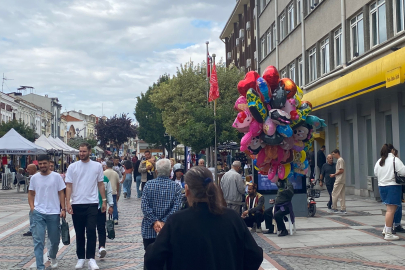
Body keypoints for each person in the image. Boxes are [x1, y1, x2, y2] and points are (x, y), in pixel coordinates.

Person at [144, 166, 263, 270]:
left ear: (187, 190)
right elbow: (254, 255)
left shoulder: (176, 221)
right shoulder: (232, 218)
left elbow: (153, 258)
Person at [65, 143, 107, 270]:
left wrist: (104, 200)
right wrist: (68, 202)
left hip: (92, 203)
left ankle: (91, 259)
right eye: (80, 151)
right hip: (77, 203)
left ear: (89, 151)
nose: (81, 153)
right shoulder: (72, 167)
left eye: (84, 151)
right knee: (79, 232)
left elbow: (100, 184)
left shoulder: (97, 166)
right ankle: (81, 258)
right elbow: (68, 185)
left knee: (91, 230)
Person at [28, 155, 66, 270]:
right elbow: (30, 193)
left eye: (44, 163)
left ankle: (53, 256)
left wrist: (63, 209)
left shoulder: (56, 177)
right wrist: (32, 207)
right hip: (38, 212)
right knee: (38, 240)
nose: (43, 166)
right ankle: (40, 266)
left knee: (54, 240)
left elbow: (61, 193)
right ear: (38, 164)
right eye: (40, 164)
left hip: (53, 212)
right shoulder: (34, 178)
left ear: (49, 163)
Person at [141, 159, 182, 251]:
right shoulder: (176, 187)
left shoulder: (148, 185)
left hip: (149, 229)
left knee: (149, 257)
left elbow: (144, 206)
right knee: (168, 259)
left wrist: (155, 221)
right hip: (169, 230)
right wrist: (164, 222)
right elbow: (176, 207)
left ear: (156, 171)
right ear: (170, 171)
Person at [374, 144, 405, 241]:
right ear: (392, 150)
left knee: (389, 209)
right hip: (393, 186)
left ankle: (385, 229)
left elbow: (375, 173)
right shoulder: (395, 160)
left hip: (382, 186)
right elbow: (403, 172)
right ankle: (388, 233)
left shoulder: (379, 161)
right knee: (391, 210)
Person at [96, 174, 114, 258]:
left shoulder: (105, 179)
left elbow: (109, 192)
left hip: (101, 207)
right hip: (89, 207)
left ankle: (102, 247)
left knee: (101, 227)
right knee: (90, 229)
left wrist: (111, 205)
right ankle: (91, 249)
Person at [23, 164, 38, 237]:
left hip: (37, 201)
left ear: (33, 169)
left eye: (28, 169)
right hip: (35, 201)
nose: (27, 170)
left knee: (33, 215)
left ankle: (33, 230)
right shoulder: (33, 177)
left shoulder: (35, 177)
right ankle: (33, 229)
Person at [331, 149, 346, 214]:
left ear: (337, 153)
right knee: (341, 194)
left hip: (339, 179)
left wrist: (334, 174)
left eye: (333, 154)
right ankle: (343, 208)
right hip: (342, 179)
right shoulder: (340, 160)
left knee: (334, 193)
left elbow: (341, 170)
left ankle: (334, 208)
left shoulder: (340, 160)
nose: (333, 156)